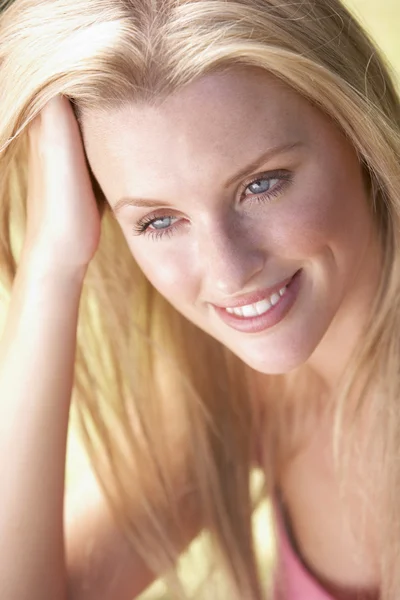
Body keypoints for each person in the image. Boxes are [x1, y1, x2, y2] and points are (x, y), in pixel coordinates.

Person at [0, 0, 399, 598]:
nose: (229, 271)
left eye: (261, 184)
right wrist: (52, 261)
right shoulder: (249, 393)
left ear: (355, 127)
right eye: (160, 221)